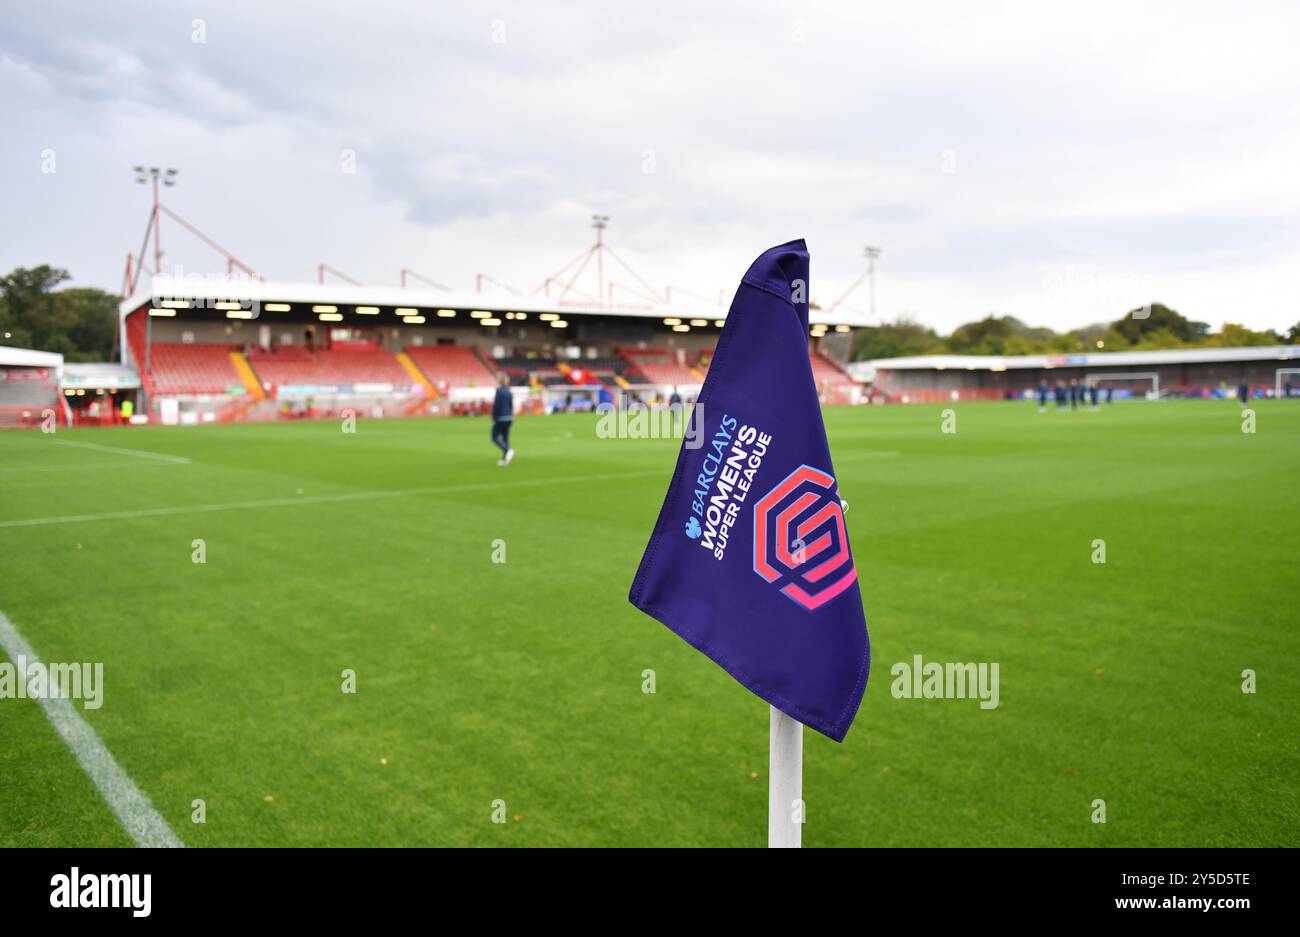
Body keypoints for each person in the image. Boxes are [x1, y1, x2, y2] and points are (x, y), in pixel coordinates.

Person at [492, 376, 515, 465]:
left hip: (501, 417)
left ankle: (507, 450)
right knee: (505, 438)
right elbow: (510, 405)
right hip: (509, 417)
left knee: (494, 437)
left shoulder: (499, 391)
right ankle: (505, 459)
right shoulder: (509, 391)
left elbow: (497, 405)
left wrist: (494, 417)